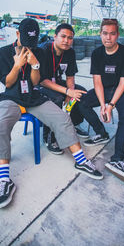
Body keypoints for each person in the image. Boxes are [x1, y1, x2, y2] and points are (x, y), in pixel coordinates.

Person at [0, 18, 103, 209]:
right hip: (11, 97)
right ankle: (4, 180)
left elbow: (35, 82)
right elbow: (8, 83)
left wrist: (35, 65)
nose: (30, 47)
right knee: (1, 125)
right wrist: (17, 65)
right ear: (18, 35)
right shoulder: (4, 52)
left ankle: (81, 161)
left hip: (33, 97)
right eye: (27, 42)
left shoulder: (39, 51)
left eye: (33, 43)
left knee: (62, 117)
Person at [78, 18, 124, 182]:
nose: (108, 37)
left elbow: (123, 83)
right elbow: (97, 82)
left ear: (117, 35)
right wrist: (103, 106)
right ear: (100, 34)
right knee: (83, 103)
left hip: (121, 90)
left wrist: (110, 106)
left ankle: (117, 159)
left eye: (112, 34)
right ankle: (101, 132)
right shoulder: (97, 53)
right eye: (104, 33)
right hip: (103, 88)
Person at [40, 23, 89, 155]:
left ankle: (72, 123)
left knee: (81, 93)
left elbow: (70, 77)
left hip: (58, 82)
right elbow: (43, 81)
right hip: (40, 85)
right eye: (63, 36)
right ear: (55, 36)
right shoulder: (44, 50)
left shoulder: (70, 52)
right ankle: (49, 136)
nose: (66, 41)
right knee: (57, 98)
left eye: (70, 38)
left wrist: (70, 93)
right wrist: (66, 92)